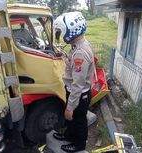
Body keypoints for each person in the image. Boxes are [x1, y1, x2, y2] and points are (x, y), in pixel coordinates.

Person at [53, 12, 94, 152]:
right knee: (71, 120)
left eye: (60, 32)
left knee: (78, 121)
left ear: (69, 31)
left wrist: (70, 107)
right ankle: (69, 136)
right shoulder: (79, 44)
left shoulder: (80, 53)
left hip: (78, 94)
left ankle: (79, 145)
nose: (60, 35)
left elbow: (78, 85)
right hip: (75, 92)